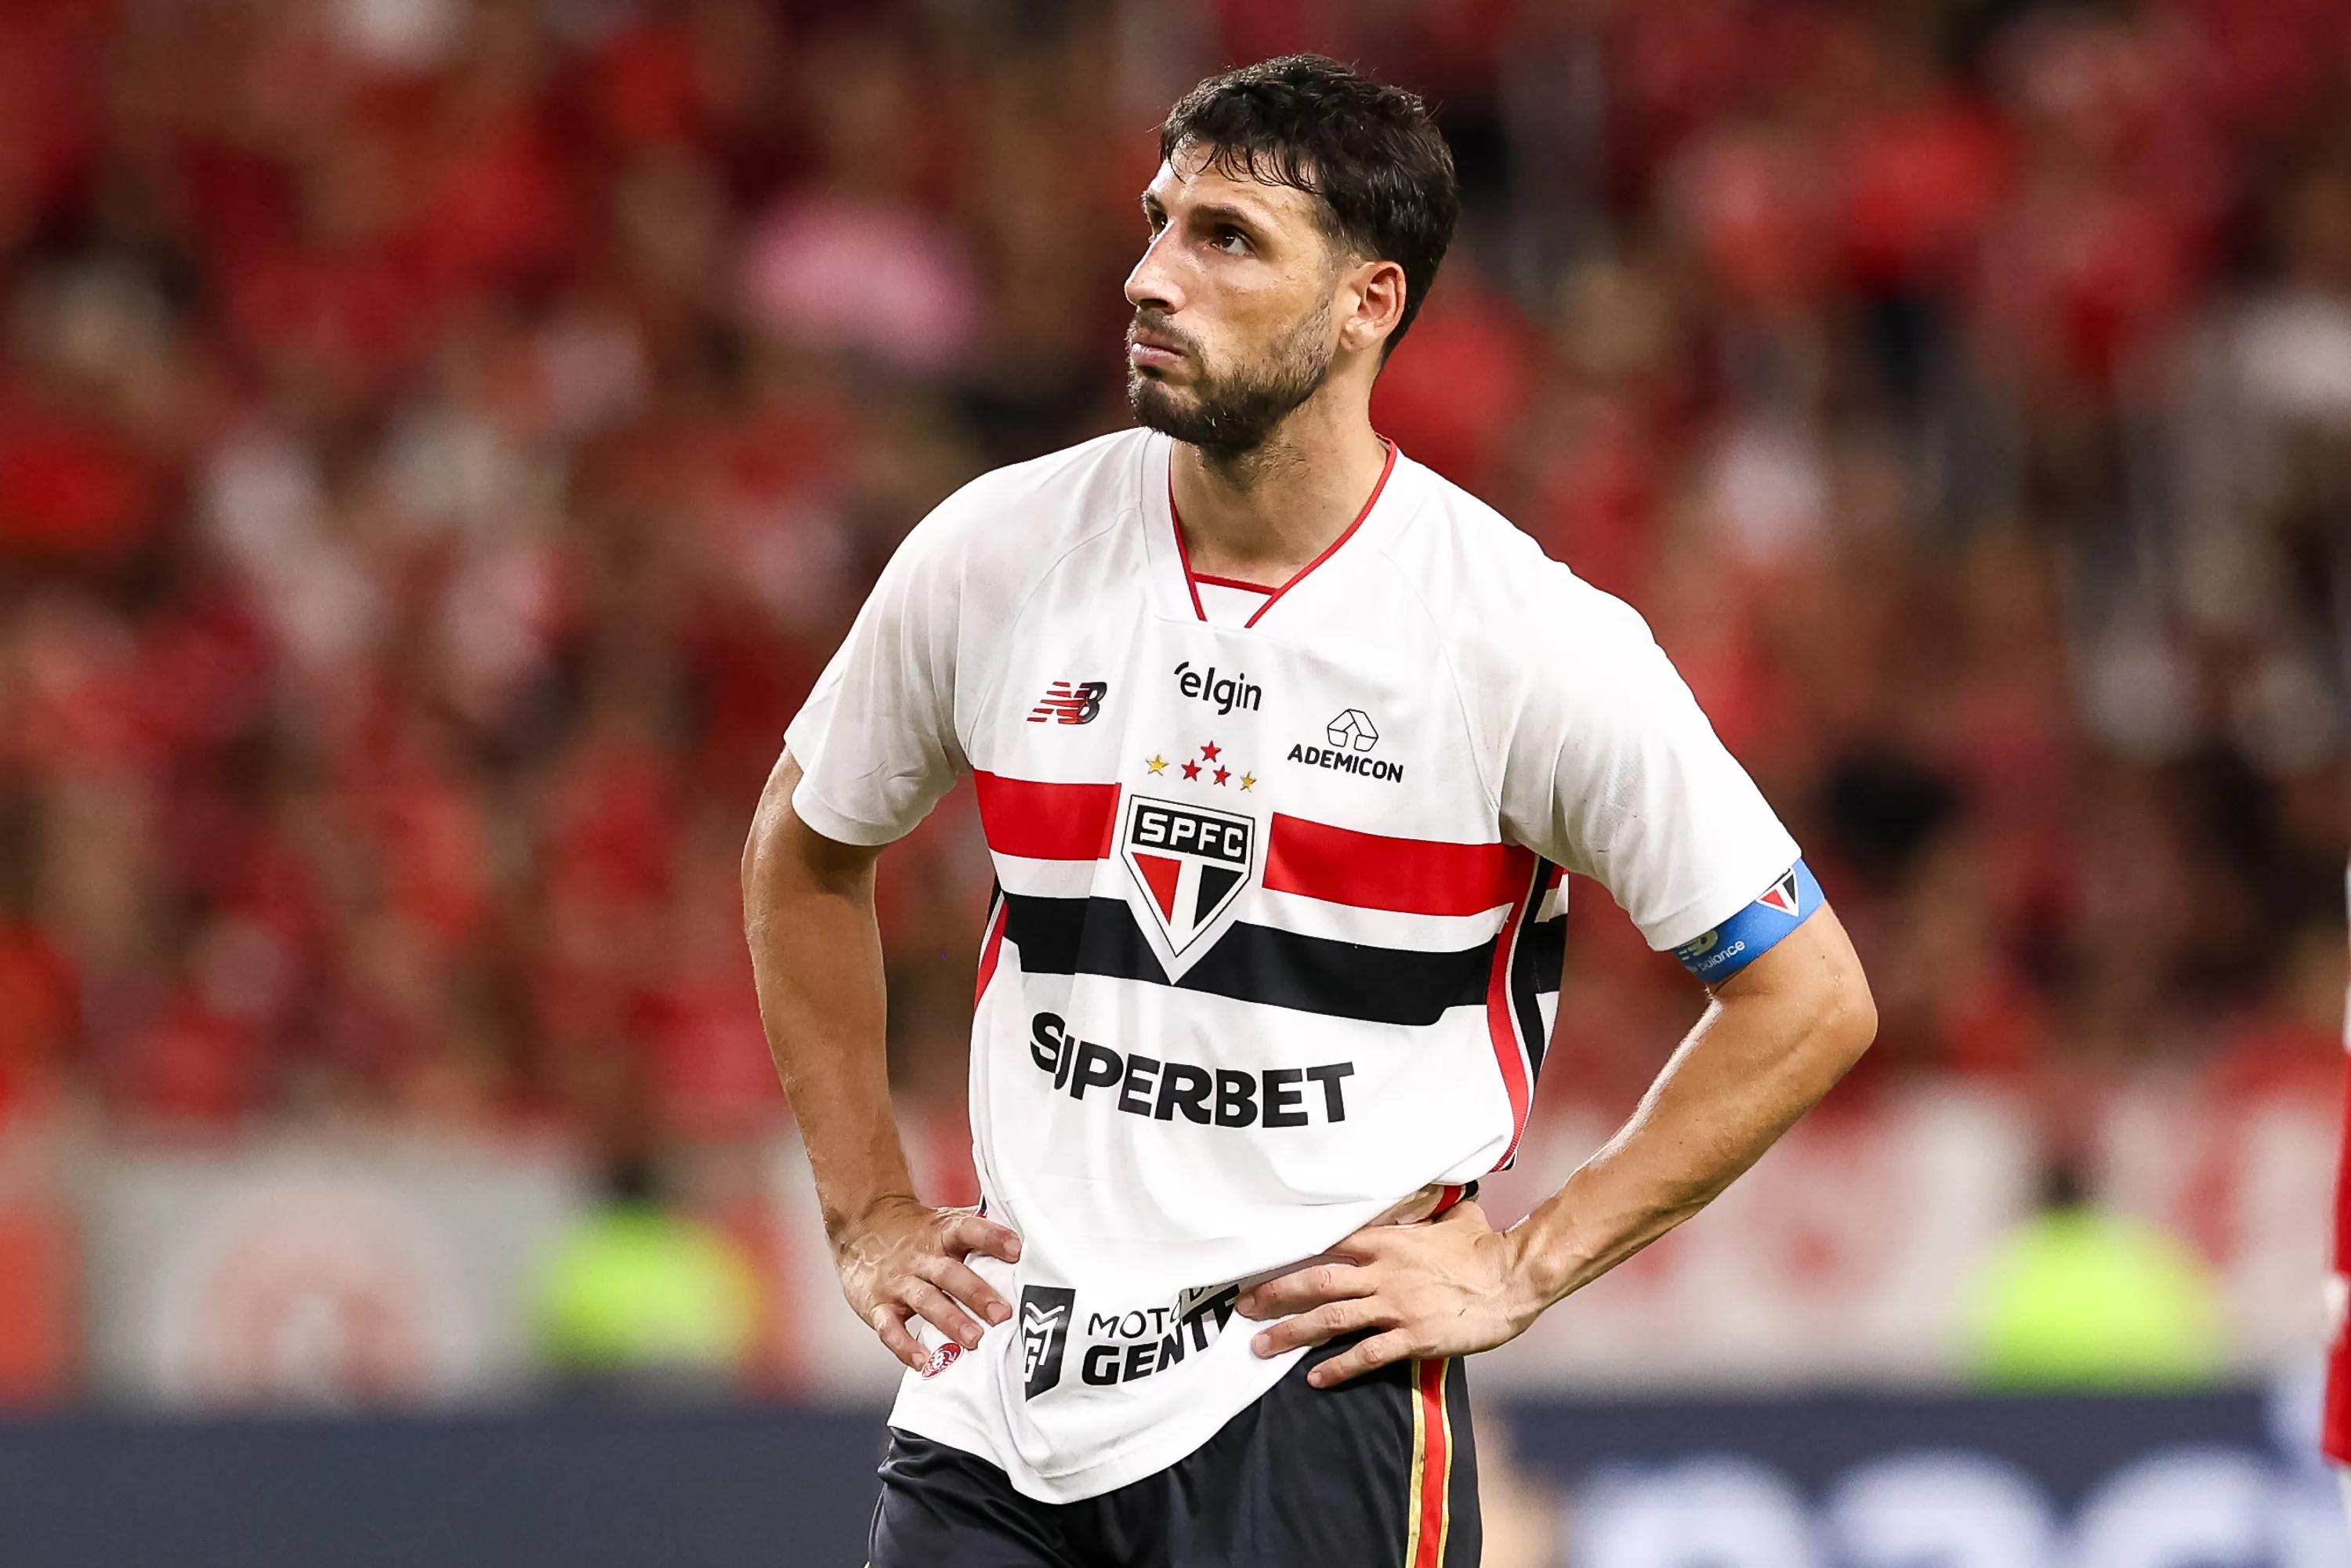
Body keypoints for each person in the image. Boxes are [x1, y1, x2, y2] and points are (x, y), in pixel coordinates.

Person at [741, 55, 1877, 1567]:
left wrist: (1530, 1267)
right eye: (1158, 223)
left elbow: (1808, 996)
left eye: (1227, 240)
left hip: (1308, 1390)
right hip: (996, 1394)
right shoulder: (992, 552)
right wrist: (868, 1208)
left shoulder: (1522, 638)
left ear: (1369, 305)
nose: (1152, 277)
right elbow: (804, 851)